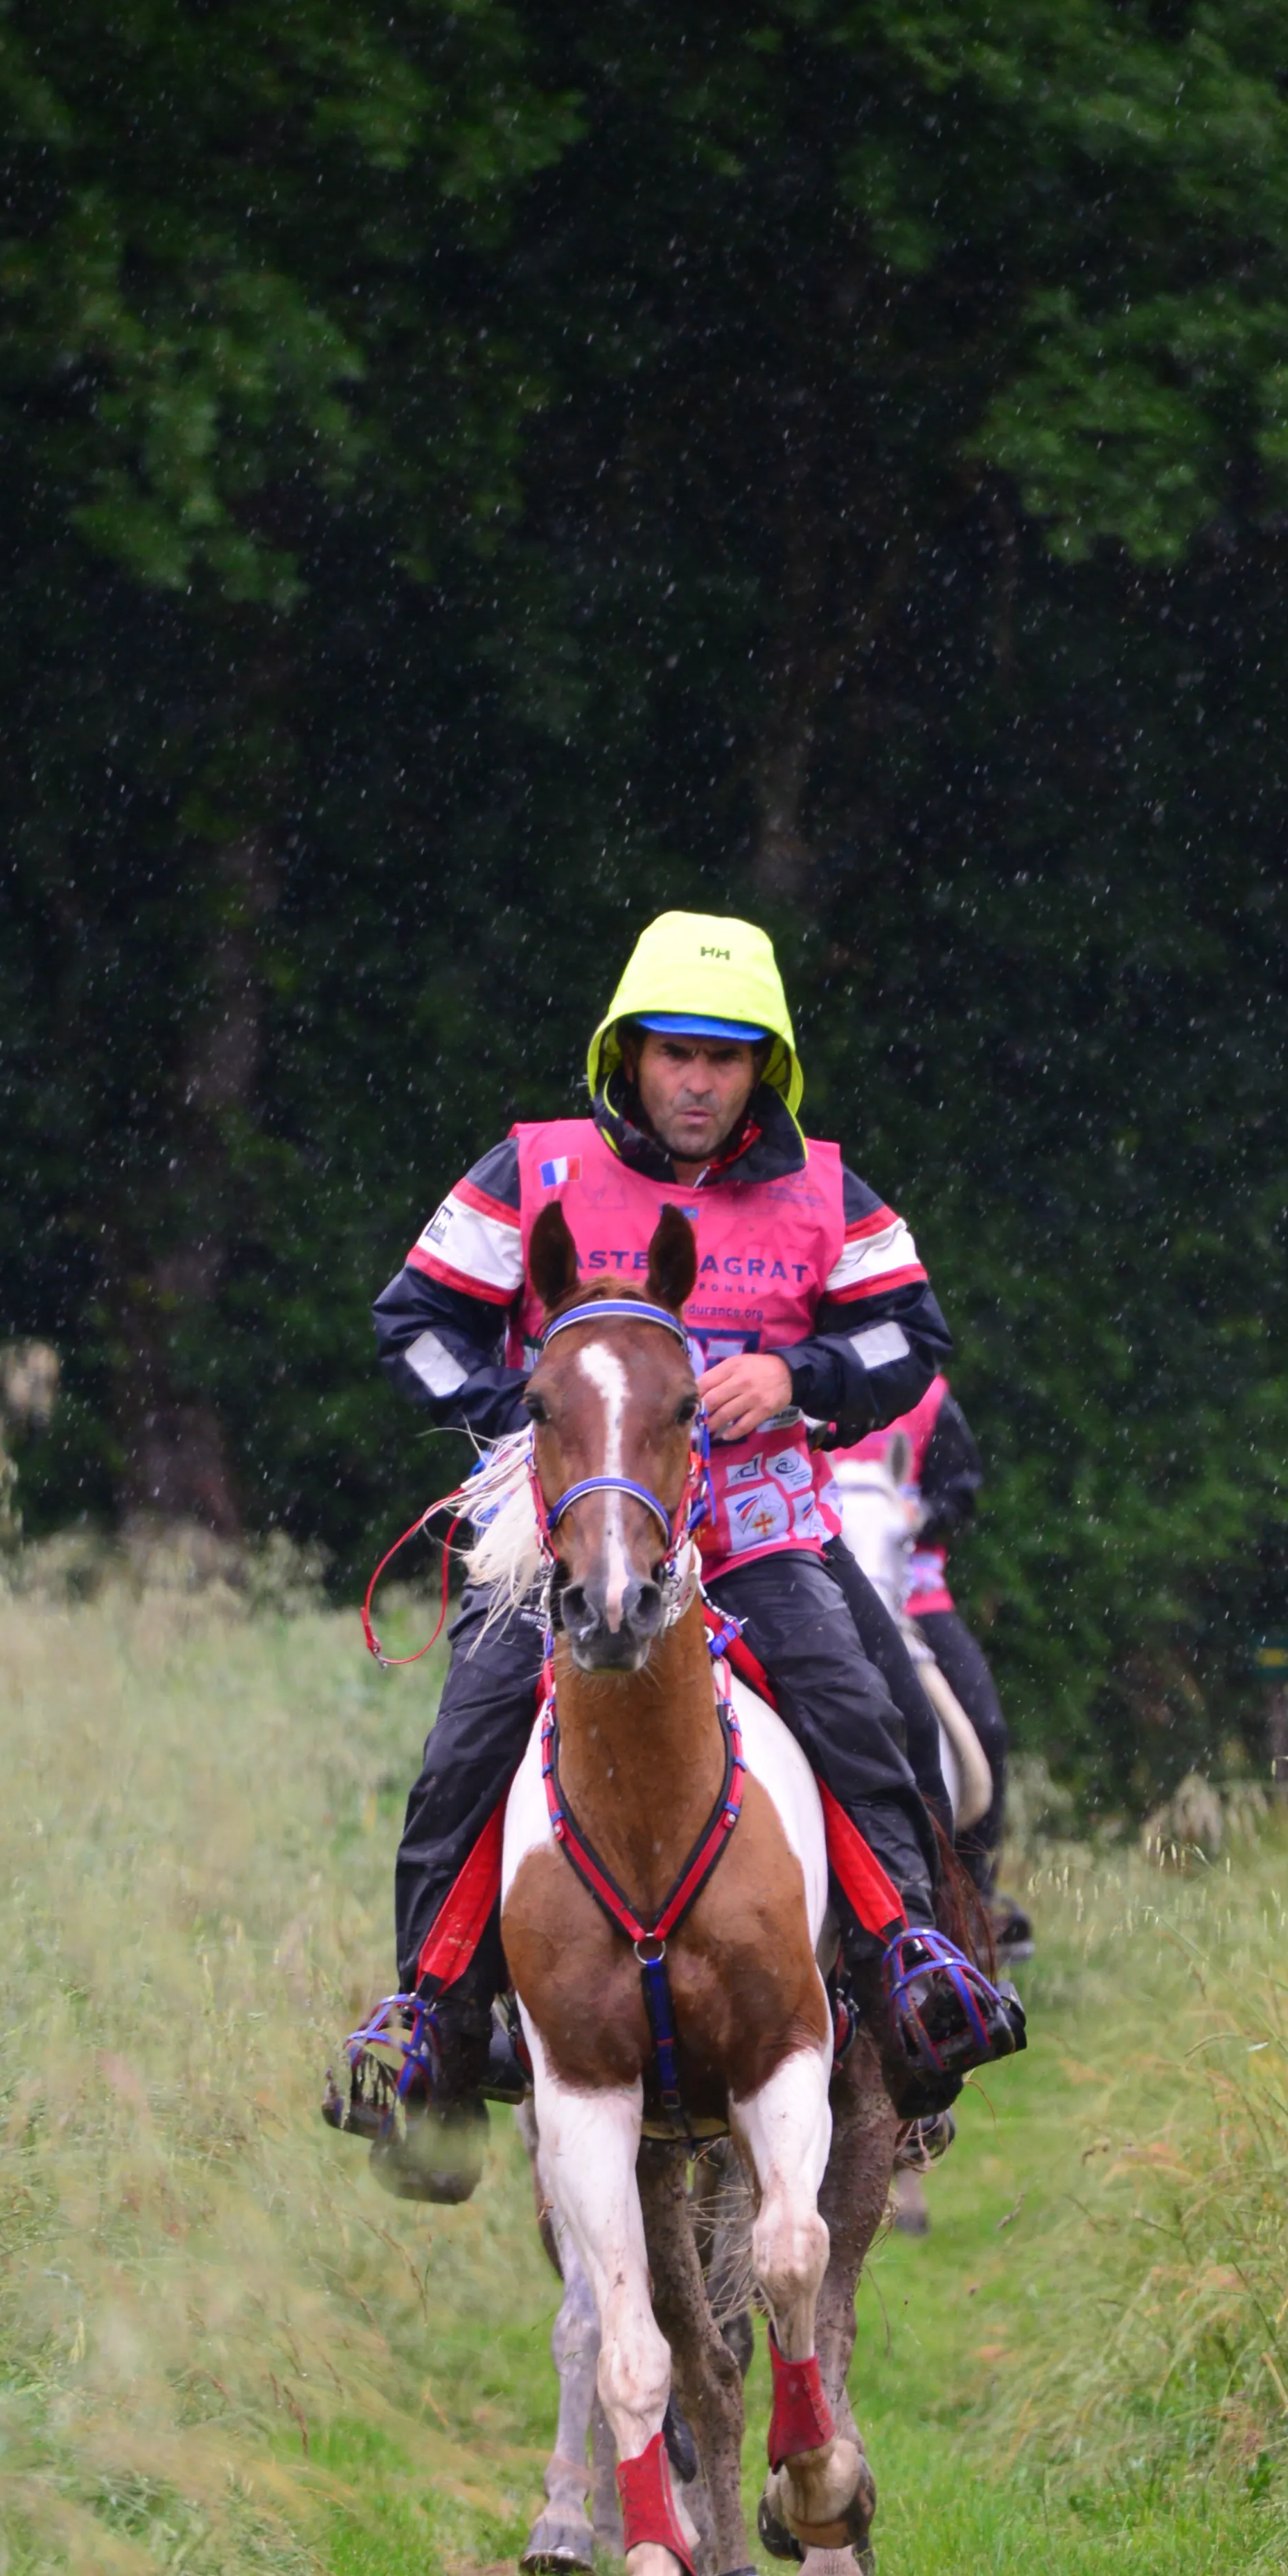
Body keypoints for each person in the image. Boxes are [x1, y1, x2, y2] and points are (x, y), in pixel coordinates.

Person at [333, 910, 1024, 2194]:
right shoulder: (530, 1171)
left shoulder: (826, 1189)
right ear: (627, 1057)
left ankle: (912, 1979)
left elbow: (908, 1338)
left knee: (868, 1711)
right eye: (673, 1055)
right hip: (565, 1535)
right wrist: (531, 1418)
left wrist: (795, 1369)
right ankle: (434, 2019)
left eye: (727, 1058)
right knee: (468, 1742)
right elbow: (415, 1320)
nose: (698, 1083)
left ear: (765, 1070)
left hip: (751, 1530)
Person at [831, 1376, 1033, 1961]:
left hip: (912, 1592)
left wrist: (924, 1514)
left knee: (987, 1726)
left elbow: (961, 1489)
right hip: (809, 1591)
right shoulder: (783, 1381)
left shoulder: (927, 1398)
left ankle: (975, 1896)